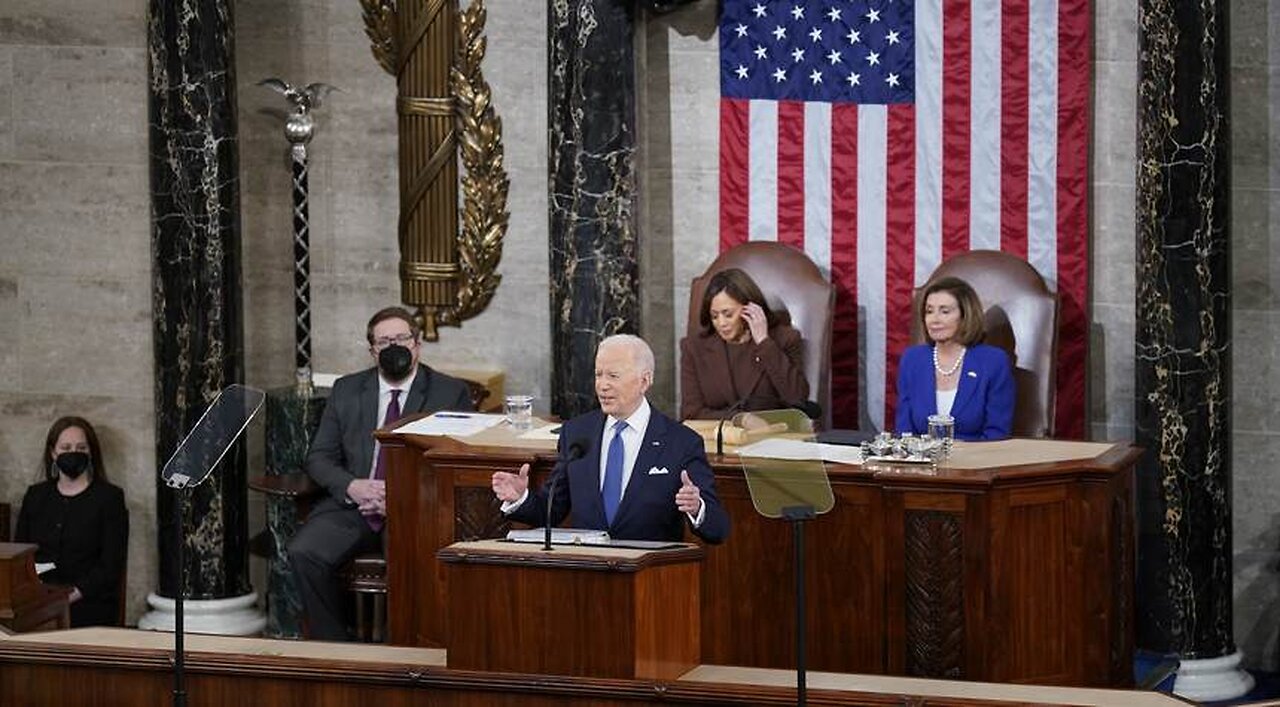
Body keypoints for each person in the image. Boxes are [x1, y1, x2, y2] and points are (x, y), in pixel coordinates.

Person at [288, 306, 474, 641]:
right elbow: (318, 457)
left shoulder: (449, 392)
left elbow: (456, 466)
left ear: (417, 344)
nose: (393, 347)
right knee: (305, 552)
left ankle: (399, 654)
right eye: (384, 341)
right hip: (354, 506)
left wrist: (401, 498)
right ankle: (336, 652)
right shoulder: (347, 389)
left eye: (401, 338)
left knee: (411, 567)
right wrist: (352, 486)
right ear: (372, 349)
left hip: (414, 512)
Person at [492, 334, 729, 544]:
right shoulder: (576, 433)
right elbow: (552, 509)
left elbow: (718, 529)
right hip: (587, 574)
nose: (602, 385)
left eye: (613, 376)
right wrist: (520, 498)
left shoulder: (681, 442)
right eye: (598, 374)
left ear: (644, 381)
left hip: (650, 577)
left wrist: (697, 508)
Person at [16, 416, 129, 627]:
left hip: (89, 604)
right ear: (53, 452)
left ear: (91, 453)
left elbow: (110, 565)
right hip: (38, 602)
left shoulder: (109, 498)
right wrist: (39, 594)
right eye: (66, 447)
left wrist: (71, 596)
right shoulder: (35, 496)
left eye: (81, 447)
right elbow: (20, 553)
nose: (73, 452)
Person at [679, 268, 809, 420]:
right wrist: (740, 420)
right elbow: (691, 413)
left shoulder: (785, 339)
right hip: (718, 438)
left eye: (728, 315)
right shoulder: (694, 348)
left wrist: (763, 342)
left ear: (750, 309)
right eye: (714, 316)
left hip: (773, 437)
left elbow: (798, 400)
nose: (721, 323)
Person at [895, 276, 1014, 441]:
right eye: (929, 311)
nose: (934, 320)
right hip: (921, 462)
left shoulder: (993, 362)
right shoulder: (912, 359)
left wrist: (960, 453)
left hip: (977, 462)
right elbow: (904, 432)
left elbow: (997, 433)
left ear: (965, 316)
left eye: (945, 311)